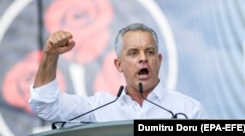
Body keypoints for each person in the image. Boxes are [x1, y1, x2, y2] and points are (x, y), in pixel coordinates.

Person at [29, 23, 208, 128]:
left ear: (159, 60)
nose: (143, 59)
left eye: (150, 52)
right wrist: (50, 55)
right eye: (133, 53)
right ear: (118, 64)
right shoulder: (99, 108)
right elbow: (46, 105)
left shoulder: (189, 111)